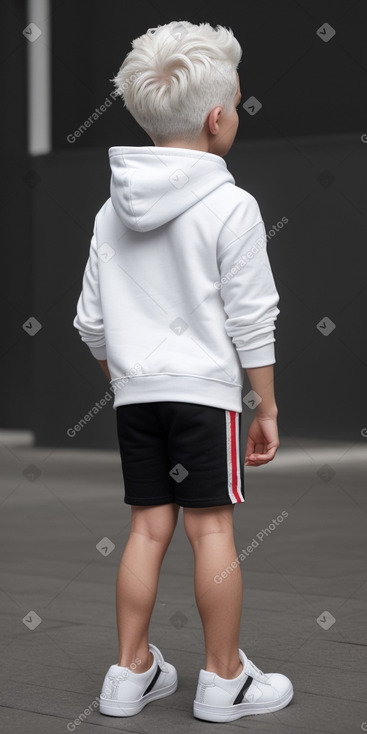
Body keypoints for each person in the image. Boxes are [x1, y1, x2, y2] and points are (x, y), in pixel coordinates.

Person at [73, 20, 293, 723]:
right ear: (217, 117)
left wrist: (128, 378)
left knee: (145, 529)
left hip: (137, 400)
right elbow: (251, 317)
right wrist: (265, 406)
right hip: (204, 400)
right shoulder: (231, 206)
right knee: (211, 534)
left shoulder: (112, 211)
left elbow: (90, 323)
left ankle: (128, 671)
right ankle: (222, 678)